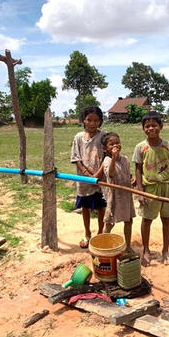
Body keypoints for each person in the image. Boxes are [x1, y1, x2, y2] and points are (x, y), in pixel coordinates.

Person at [132, 111, 169, 266]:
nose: (151, 128)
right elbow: (138, 170)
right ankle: (145, 250)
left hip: (166, 187)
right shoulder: (140, 147)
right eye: (147, 126)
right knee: (147, 220)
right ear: (143, 128)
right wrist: (140, 192)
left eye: (154, 125)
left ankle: (165, 251)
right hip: (149, 188)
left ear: (161, 126)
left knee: (167, 219)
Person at [70, 105, 107, 248]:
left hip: (100, 178)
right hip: (83, 180)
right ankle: (87, 234)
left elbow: (107, 155)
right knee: (85, 207)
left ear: (100, 121)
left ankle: (100, 234)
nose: (92, 123)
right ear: (84, 120)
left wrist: (98, 174)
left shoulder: (103, 136)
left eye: (96, 120)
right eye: (89, 120)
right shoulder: (79, 137)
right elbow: (76, 157)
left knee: (101, 207)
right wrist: (86, 174)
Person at [101, 132, 135, 254]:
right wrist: (114, 158)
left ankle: (128, 246)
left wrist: (133, 178)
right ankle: (103, 244)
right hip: (115, 197)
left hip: (126, 196)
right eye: (111, 144)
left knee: (129, 220)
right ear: (105, 148)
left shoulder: (125, 159)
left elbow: (127, 174)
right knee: (109, 222)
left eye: (117, 142)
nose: (116, 145)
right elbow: (110, 173)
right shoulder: (107, 160)